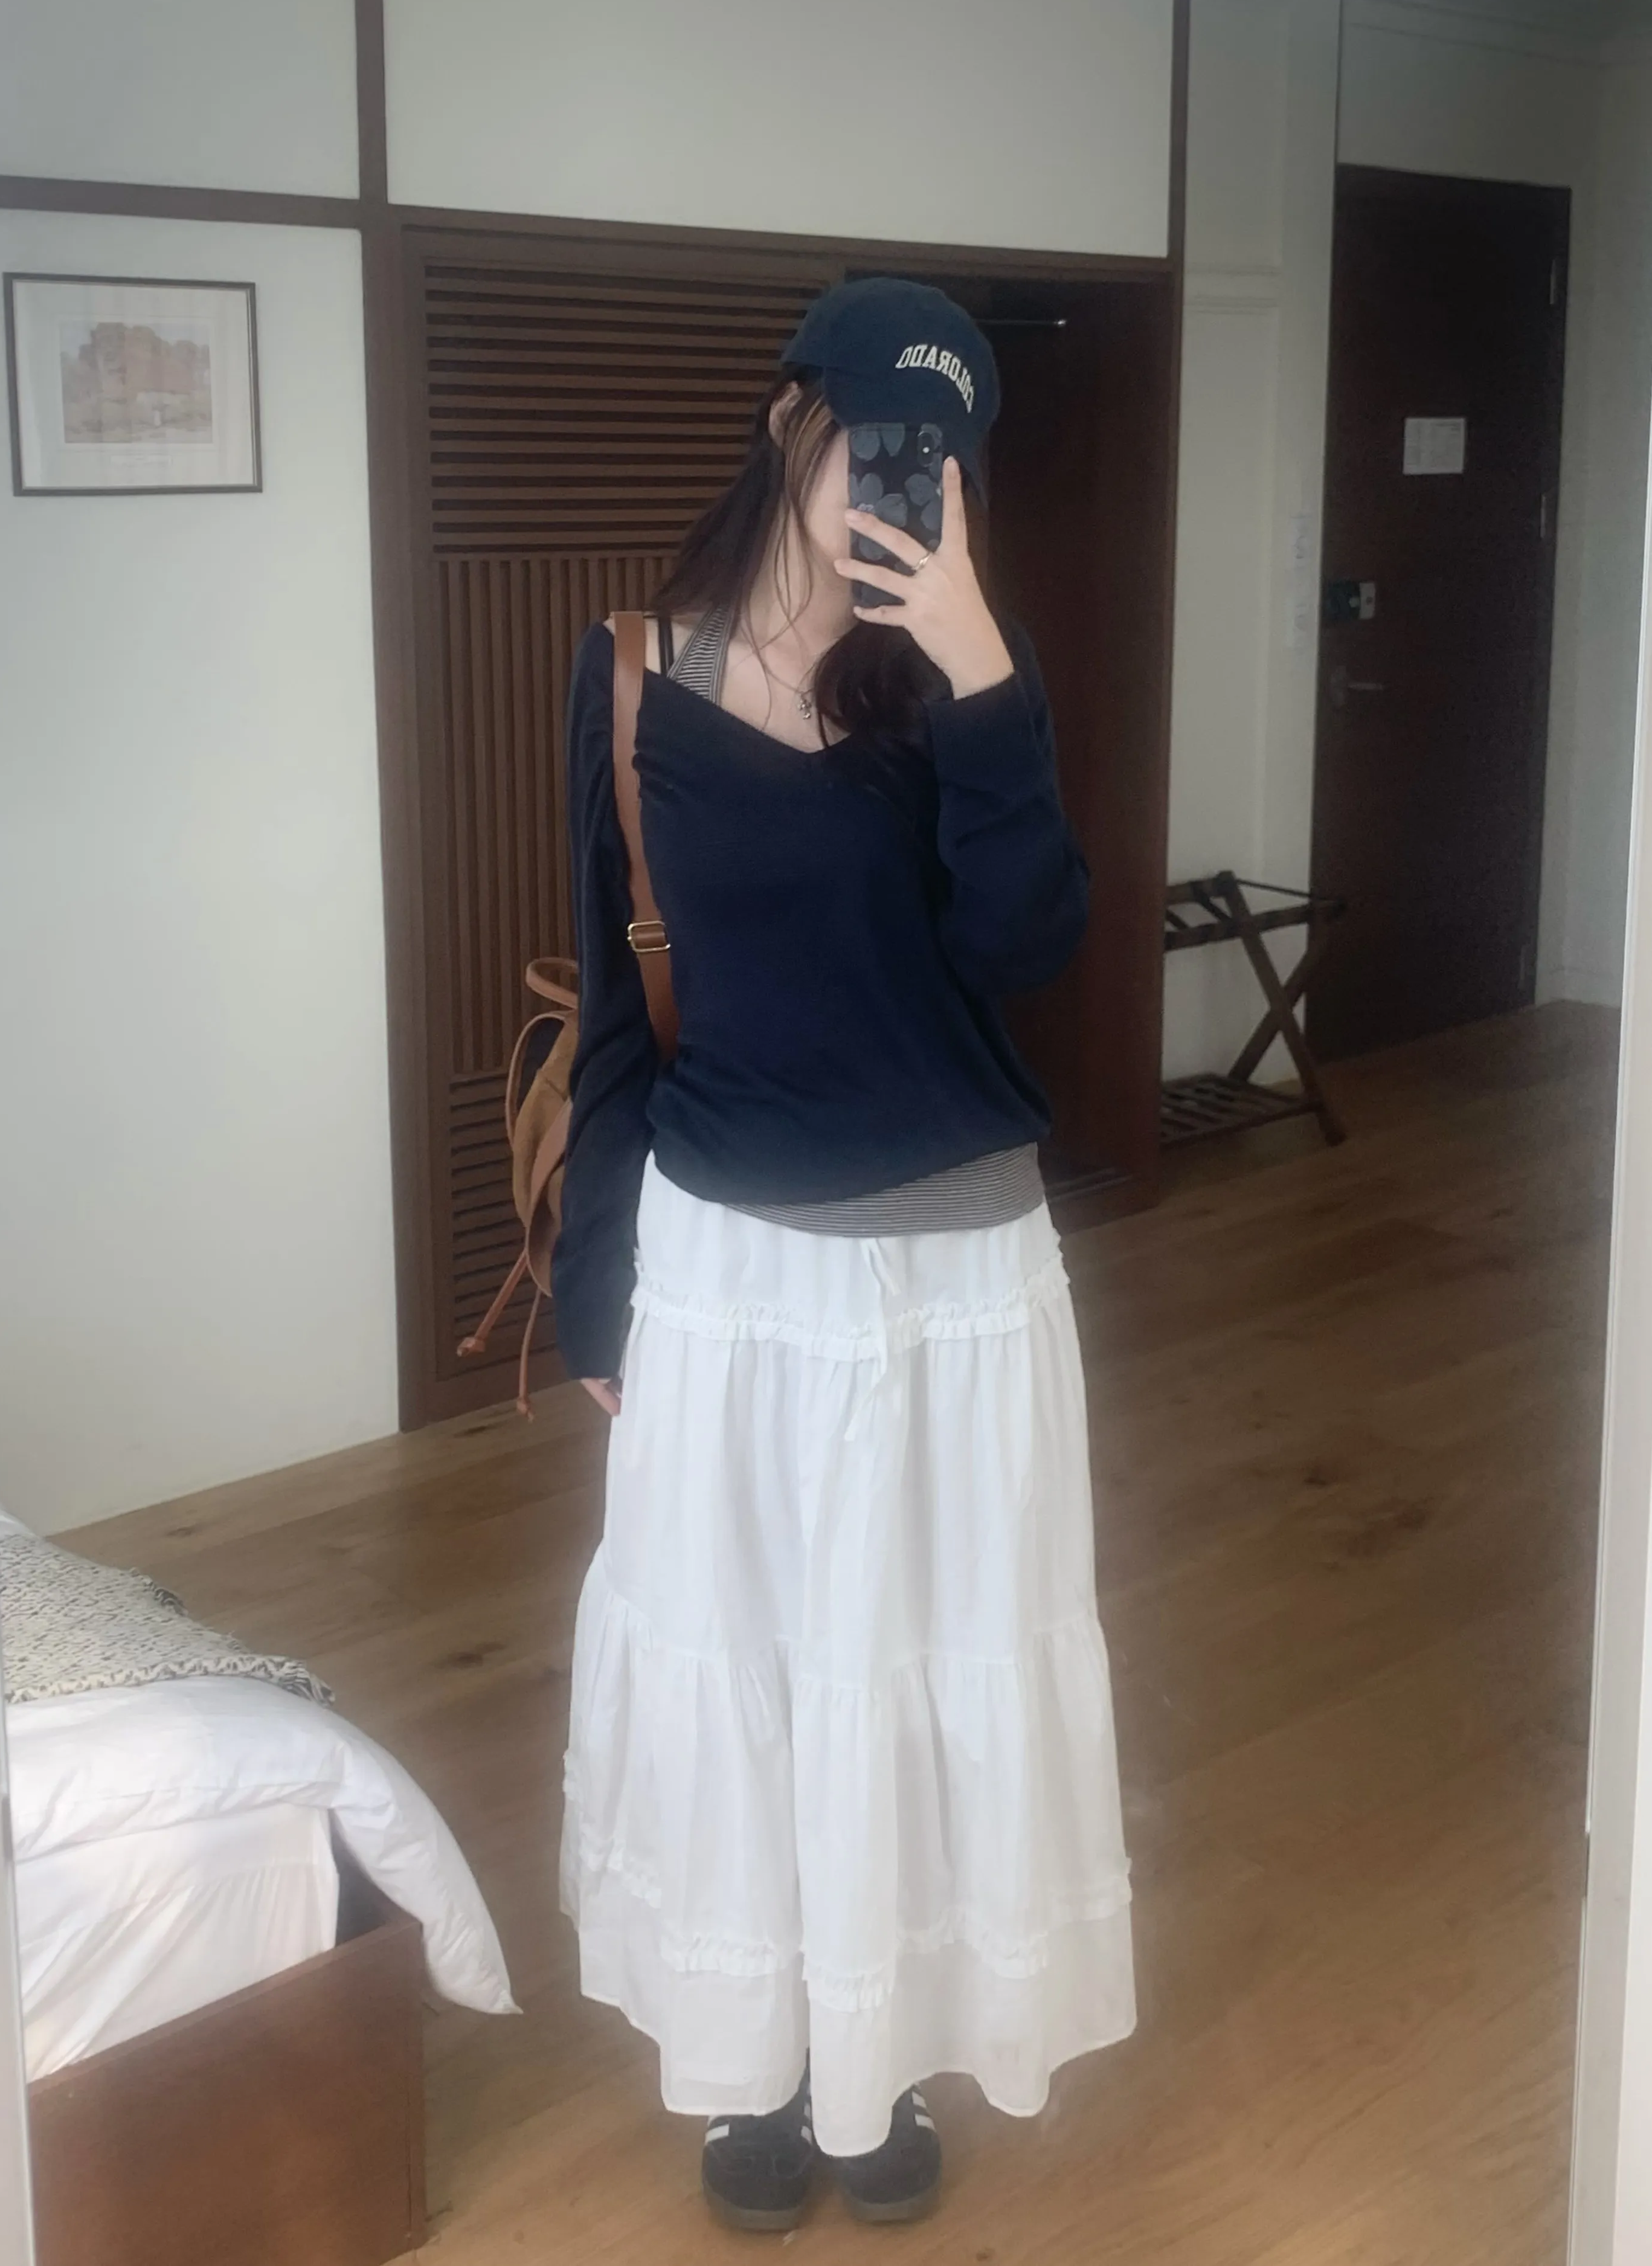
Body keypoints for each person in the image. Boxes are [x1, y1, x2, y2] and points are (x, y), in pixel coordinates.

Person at [552, 278, 1133, 2232]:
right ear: (791, 415)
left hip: (960, 1280)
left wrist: (980, 671)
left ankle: (875, 2069)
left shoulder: (961, 677)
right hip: (727, 1275)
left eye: (942, 450)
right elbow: (619, 1016)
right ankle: (762, 2065)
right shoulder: (632, 677)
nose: (905, 472)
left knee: (917, 1673)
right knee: (753, 1675)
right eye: (882, 430)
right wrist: (596, 1291)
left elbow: (1029, 947)